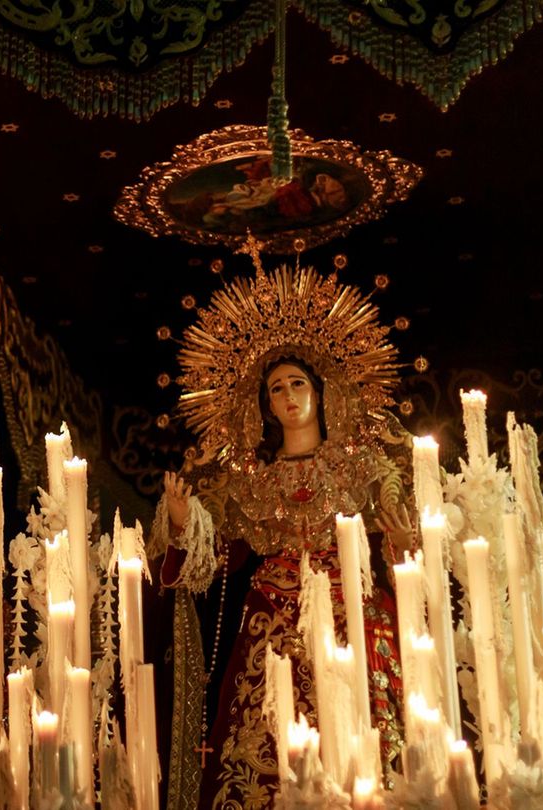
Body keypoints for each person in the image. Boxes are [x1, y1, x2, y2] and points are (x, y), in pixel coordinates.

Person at [147, 263, 412, 809]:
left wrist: (404, 532)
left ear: (320, 392)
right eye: (276, 389)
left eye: (297, 383)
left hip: (355, 620)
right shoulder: (249, 483)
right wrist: (181, 519)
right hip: (272, 627)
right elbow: (204, 555)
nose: (288, 396)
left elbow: (402, 520)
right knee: (263, 745)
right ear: (265, 405)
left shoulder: (363, 466)